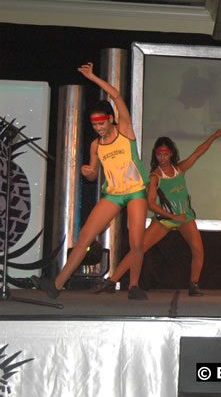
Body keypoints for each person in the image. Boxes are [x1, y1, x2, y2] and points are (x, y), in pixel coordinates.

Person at [32, 62, 149, 300]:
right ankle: (57, 284)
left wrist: (93, 77)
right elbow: (95, 174)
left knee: (137, 242)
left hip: (136, 190)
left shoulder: (125, 130)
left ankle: (134, 285)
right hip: (113, 194)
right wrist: (89, 173)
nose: (98, 128)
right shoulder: (96, 145)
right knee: (85, 235)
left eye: (101, 124)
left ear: (111, 119)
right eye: (94, 125)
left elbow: (115, 95)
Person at [92, 129, 221, 296]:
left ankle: (193, 285)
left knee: (198, 250)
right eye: (158, 154)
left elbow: (198, 151)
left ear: (171, 154)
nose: (161, 158)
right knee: (138, 248)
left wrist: (213, 136)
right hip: (165, 219)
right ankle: (112, 281)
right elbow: (150, 204)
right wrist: (172, 217)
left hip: (184, 216)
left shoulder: (180, 169)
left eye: (165, 154)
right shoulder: (156, 176)